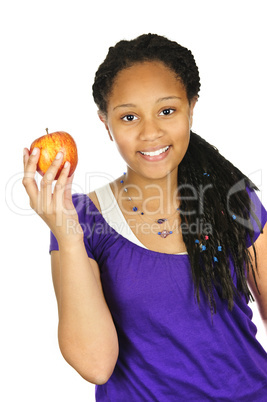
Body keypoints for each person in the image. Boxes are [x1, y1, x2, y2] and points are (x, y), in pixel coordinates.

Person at [23, 34, 267, 401]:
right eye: (129, 116)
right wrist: (69, 236)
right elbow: (95, 364)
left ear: (191, 107)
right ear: (106, 123)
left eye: (167, 111)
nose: (150, 132)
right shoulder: (81, 219)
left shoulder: (232, 199)